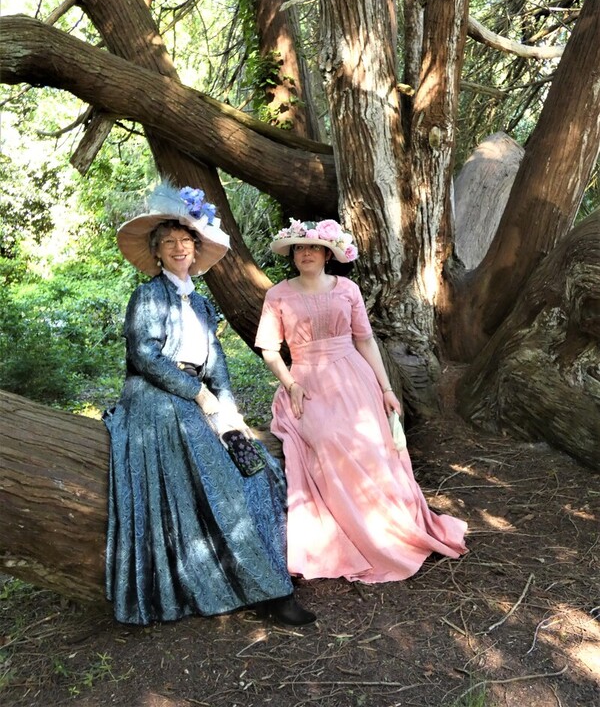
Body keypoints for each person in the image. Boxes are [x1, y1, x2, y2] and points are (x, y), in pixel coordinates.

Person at [104, 182, 316, 627]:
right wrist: (195, 394)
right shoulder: (147, 296)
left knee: (256, 465)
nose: (179, 248)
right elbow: (144, 355)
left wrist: (227, 408)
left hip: (195, 391)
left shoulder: (201, 304)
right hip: (156, 396)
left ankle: (273, 570)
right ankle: (271, 594)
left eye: (186, 241)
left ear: (196, 249)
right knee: (215, 471)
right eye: (169, 243)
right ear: (158, 253)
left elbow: (216, 366)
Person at [255, 218, 468, 583]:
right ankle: (350, 535)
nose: (306, 253)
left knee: (370, 444)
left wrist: (386, 389)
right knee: (325, 440)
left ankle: (387, 526)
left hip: (354, 378)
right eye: (300, 248)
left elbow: (365, 341)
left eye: (314, 248)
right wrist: (290, 384)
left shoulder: (347, 289)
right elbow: (270, 350)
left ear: (327, 254)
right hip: (306, 381)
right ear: (293, 254)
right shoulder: (278, 295)